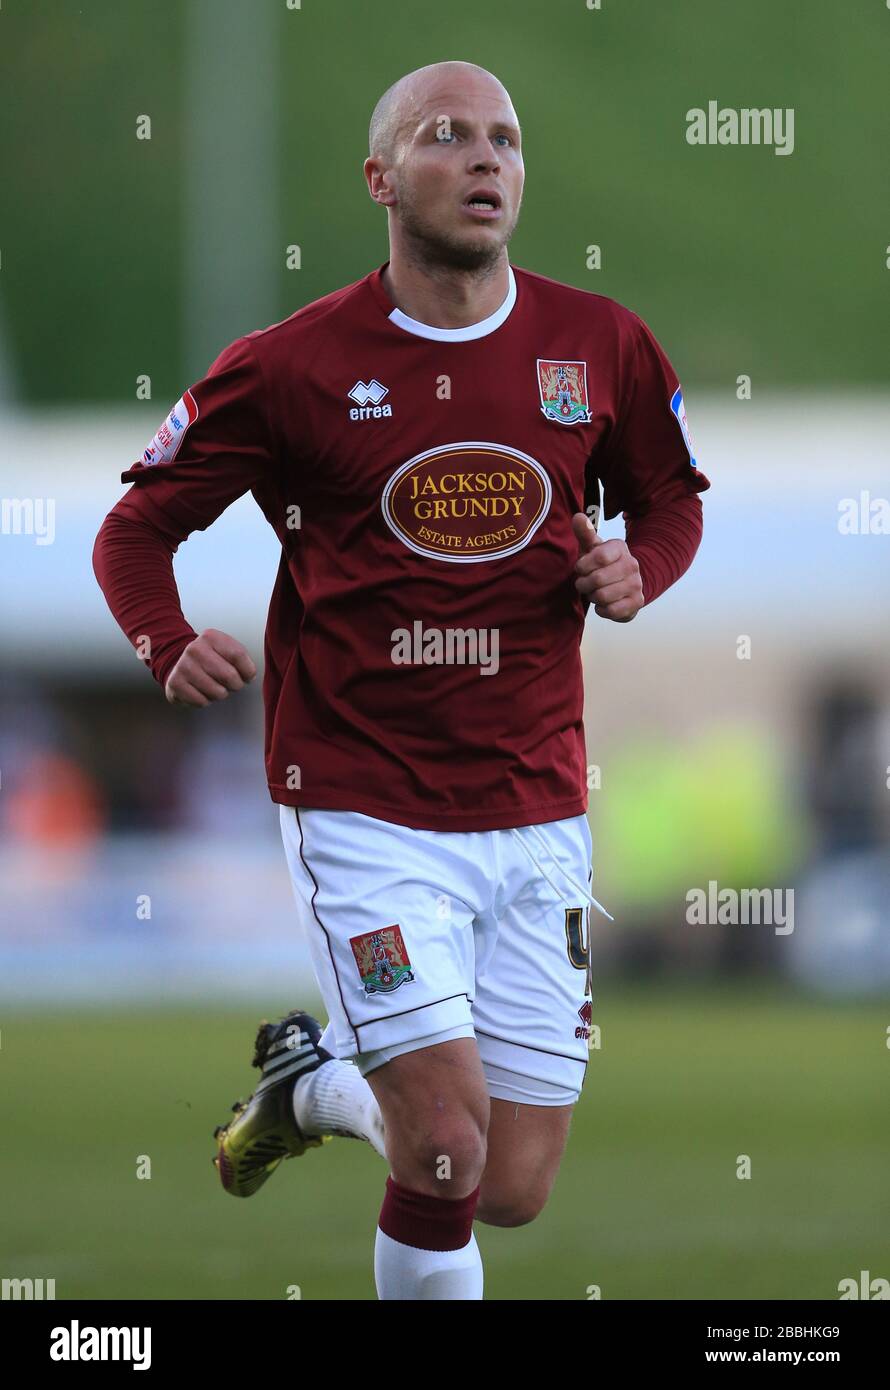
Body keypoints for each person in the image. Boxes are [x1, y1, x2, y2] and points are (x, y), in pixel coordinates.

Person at [93, 60, 710, 1301]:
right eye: (447, 137)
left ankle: (309, 1085)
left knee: (511, 1183)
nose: (486, 159)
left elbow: (668, 501)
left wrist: (639, 566)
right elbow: (135, 529)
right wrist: (165, 638)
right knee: (441, 1144)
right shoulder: (290, 365)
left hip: (537, 803)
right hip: (361, 805)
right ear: (380, 179)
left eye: (504, 139)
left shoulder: (599, 344)